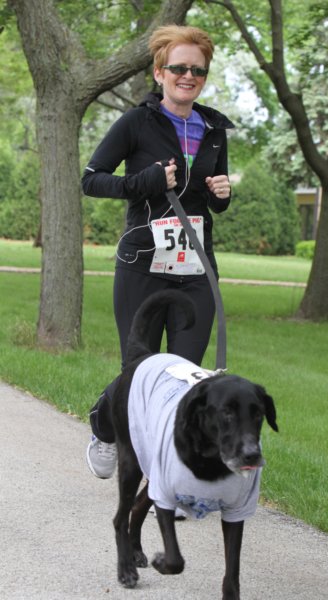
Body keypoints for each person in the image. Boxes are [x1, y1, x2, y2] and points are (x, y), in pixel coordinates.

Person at [82, 24, 233, 480]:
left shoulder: (214, 130)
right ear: (160, 72)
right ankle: (104, 425)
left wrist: (221, 194)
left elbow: (210, 199)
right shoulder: (136, 123)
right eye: (179, 68)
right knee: (140, 370)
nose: (188, 76)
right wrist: (144, 181)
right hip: (142, 264)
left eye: (198, 70)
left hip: (196, 267)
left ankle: (167, 477)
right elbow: (92, 179)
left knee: (185, 376)